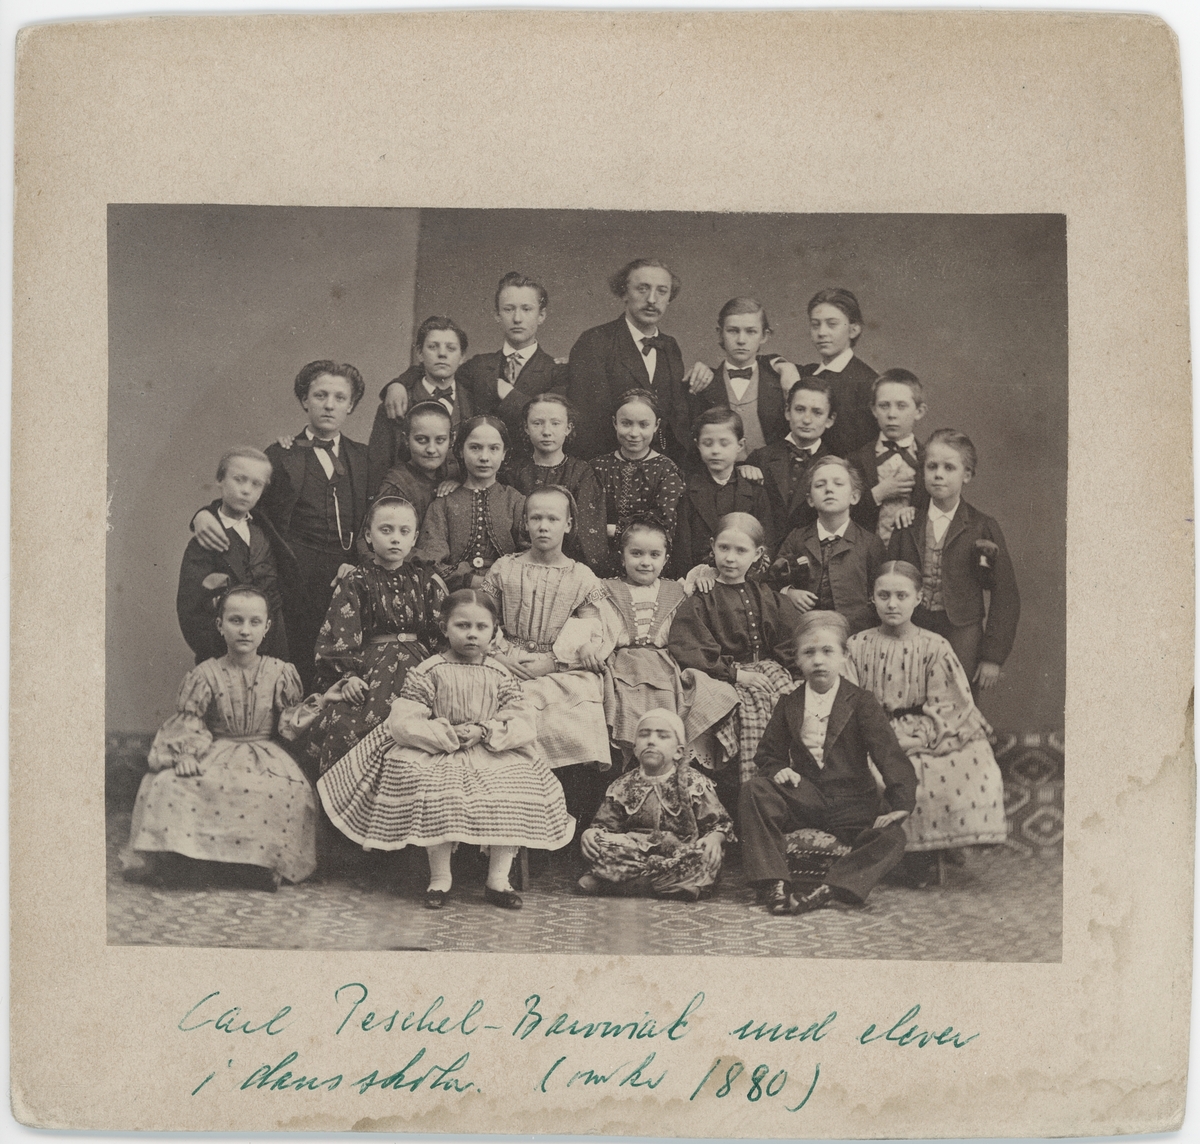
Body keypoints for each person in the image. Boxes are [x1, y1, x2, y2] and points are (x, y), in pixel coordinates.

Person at [317, 589, 575, 910]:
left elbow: (522, 719)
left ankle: (498, 880)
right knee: (437, 787)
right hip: (439, 748)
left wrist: (485, 731)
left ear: (494, 631)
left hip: (488, 748)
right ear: (444, 628)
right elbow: (405, 720)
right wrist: (446, 734)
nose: (471, 634)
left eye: (481, 627)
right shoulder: (430, 670)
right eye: (462, 625)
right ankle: (440, 878)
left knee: (516, 784)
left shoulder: (500, 674)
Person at [123, 587, 326, 891]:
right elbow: (190, 721)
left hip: (265, 755)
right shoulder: (206, 674)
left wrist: (322, 703)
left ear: (267, 627)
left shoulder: (279, 672)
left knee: (283, 790)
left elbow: (289, 724)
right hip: (216, 750)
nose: (245, 630)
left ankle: (259, 863)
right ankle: (192, 860)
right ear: (220, 625)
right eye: (235, 620)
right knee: (168, 783)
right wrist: (186, 754)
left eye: (255, 622)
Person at [190, 361, 370, 692]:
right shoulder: (282, 454)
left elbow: (380, 514)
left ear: (351, 405)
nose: (329, 405)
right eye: (320, 395)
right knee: (295, 665)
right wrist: (205, 514)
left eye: (340, 398)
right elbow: (244, 500)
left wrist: (359, 562)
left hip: (345, 574)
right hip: (293, 578)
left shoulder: (363, 458)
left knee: (341, 665)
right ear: (304, 400)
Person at [739, 610, 917, 915]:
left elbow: (889, 754)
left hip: (853, 804)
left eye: (827, 651)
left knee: (893, 837)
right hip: (806, 797)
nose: (818, 661)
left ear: (844, 655)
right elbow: (768, 753)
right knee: (754, 790)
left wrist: (901, 801)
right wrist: (779, 769)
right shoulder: (789, 703)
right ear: (797, 659)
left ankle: (830, 889)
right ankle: (774, 883)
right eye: (809, 652)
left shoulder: (861, 702)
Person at [846, 562, 1007, 886]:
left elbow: (949, 702)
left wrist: (923, 736)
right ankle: (900, 854)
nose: (892, 604)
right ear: (872, 598)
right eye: (884, 596)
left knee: (962, 760)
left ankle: (930, 851)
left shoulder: (934, 645)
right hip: (874, 729)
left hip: (926, 726)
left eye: (902, 596)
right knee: (882, 769)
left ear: (918, 598)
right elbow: (848, 699)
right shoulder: (857, 645)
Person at [481, 486, 612, 822]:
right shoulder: (505, 568)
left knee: (577, 705)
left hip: (558, 667)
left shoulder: (581, 576)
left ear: (568, 524)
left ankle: (566, 816)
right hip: (505, 658)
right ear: (525, 522)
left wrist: (553, 662)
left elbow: (591, 630)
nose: (543, 526)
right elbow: (482, 618)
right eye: (536, 518)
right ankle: (507, 814)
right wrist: (500, 656)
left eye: (553, 519)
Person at [305, 497, 448, 778]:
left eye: (404, 532)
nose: (395, 538)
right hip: (370, 670)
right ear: (369, 536)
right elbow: (340, 633)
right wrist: (348, 676)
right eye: (386, 530)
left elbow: (442, 631)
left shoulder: (425, 580)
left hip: (420, 669)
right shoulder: (357, 581)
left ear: (414, 538)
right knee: (348, 723)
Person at [669, 512, 800, 788]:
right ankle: (757, 789)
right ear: (713, 546)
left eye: (741, 551)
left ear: (757, 554)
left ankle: (793, 784)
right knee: (753, 712)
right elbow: (689, 646)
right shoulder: (703, 597)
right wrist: (736, 674)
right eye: (724, 548)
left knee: (793, 704)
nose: (730, 558)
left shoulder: (765, 594)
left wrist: (795, 672)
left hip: (769, 667)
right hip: (729, 674)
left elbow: (788, 640)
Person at [598, 517, 738, 769]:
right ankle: (633, 761)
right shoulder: (606, 589)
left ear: (665, 560)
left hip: (664, 664)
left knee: (703, 693)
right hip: (622, 663)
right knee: (624, 700)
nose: (645, 562)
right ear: (622, 557)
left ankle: (669, 759)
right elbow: (600, 630)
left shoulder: (677, 590)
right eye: (636, 554)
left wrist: (703, 577)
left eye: (654, 555)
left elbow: (706, 582)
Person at [886, 429, 1020, 691]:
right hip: (911, 628)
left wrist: (993, 656)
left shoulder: (982, 526)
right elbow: (887, 581)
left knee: (958, 700)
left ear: (966, 474)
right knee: (909, 697)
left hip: (962, 633)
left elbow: (1006, 595)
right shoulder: (907, 524)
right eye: (932, 466)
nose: (939, 474)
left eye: (949, 468)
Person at [566, 258, 713, 463]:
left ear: (669, 298)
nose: (652, 299)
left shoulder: (670, 346)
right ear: (624, 293)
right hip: (611, 465)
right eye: (642, 289)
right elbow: (587, 423)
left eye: (662, 291)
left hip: (663, 465)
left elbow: (676, 417)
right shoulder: (595, 341)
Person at [577, 710, 735, 900]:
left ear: (678, 752)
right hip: (636, 853)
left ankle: (621, 884)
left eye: (662, 736)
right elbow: (604, 827)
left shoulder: (694, 783)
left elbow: (720, 824)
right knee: (600, 846)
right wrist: (591, 834)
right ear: (635, 748)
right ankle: (667, 886)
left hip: (679, 852)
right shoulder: (622, 786)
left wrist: (714, 839)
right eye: (644, 735)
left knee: (702, 856)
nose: (651, 741)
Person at [176, 446, 292, 664]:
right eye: (239, 479)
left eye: (256, 484)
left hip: (271, 654)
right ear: (220, 480)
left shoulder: (265, 529)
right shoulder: (206, 539)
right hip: (223, 656)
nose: (246, 490)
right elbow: (191, 610)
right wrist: (217, 655)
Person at [771, 456, 886, 636]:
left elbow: (880, 594)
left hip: (854, 635)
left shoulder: (870, 544)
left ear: (854, 497)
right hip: (805, 634)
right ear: (810, 499)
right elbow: (772, 581)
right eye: (820, 485)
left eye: (838, 484)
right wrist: (788, 593)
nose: (829, 489)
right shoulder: (796, 538)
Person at [412, 415, 526, 589]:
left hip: (507, 591)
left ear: (504, 453)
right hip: (457, 594)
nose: (484, 457)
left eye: (494, 448)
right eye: (475, 448)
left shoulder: (515, 501)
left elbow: (531, 553)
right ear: (459, 451)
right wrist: (468, 581)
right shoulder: (444, 504)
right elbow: (431, 559)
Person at [367, 317, 476, 494]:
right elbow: (379, 466)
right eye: (433, 347)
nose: (442, 354)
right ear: (419, 353)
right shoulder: (397, 402)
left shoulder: (473, 401)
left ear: (462, 356)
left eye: (451, 348)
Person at [502, 393, 607, 568]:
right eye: (537, 423)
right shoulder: (514, 472)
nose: (546, 431)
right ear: (526, 427)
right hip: (521, 564)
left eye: (555, 423)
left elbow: (587, 532)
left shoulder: (581, 473)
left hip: (568, 565)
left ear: (568, 428)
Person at [590, 388, 686, 576]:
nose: (634, 433)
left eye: (643, 425)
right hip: (601, 561)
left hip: (647, 563)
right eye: (626, 423)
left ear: (656, 425)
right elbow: (588, 518)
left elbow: (663, 521)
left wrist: (614, 529)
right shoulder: (597, 467)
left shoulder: (666, 470)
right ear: (615, 423)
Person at [688, 297, 799, 459]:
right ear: (720, 334)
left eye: (751, 331)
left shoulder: (781, 380)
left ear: (764, 336)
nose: (741, 340)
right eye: (733, 331)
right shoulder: (703, 383)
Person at [672, 406, 776, 578]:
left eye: (724, 443)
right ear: (698, 445)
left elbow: (766, 543)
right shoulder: (687, 490)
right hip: (699, 581)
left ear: (740, 445)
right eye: (707, 443)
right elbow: (682, 548)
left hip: (745, 581)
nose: (715, 450)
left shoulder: (754, 490)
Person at [463, 272, 569, 440]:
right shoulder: (478, 366)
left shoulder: (558, 372)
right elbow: (437, 378)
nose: (517, 318)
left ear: (541, 316)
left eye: (526, 309)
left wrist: (509, 394)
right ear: (497, 315)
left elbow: (549, 422)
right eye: (508, 309)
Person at [749, 378, 838, 540]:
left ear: (830, 420)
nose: (807, 420)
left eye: (817, 412)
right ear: (787, 412)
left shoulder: (836, 465)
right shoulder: (760, 458)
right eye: (800, 409)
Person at [849, 369, 929, 544]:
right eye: (884, 406)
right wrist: (877, 494)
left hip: (914, 551)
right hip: (866, 552)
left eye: (901, 406)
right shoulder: (857, 460)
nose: (892, 414)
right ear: (874, 410)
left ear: (919, 411)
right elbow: (843, 511)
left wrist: (917, 513)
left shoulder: (929, 460)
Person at [798, 287, 879, 457]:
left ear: (854, 330)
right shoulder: (808, 373)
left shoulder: (869, 383)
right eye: (815, 325)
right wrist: (782, 366)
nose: (821, 332)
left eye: (832, 324)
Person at [370, 401, 459, 530]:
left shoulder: (449, 478)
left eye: (440, 440)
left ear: (451, 440)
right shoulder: (397, 485)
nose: (431, 449)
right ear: (406, 440)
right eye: (421, 440)